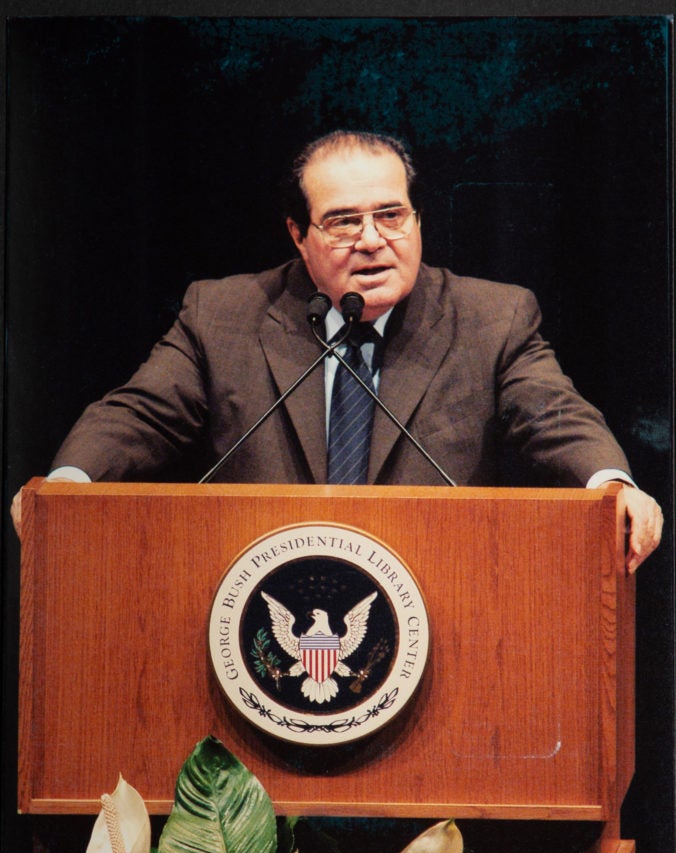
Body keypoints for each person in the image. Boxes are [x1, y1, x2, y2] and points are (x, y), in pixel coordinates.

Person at [11, 130, 662, 571]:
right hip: (259, 606)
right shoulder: (225, 314)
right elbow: (139, 414)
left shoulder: (492, 318)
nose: (373, 241)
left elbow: (556, 413)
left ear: (418, 220)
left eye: (392, 216)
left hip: (442, 609)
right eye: (344, 221)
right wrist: (65, 490)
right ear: (298, 233)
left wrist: (612, 484)